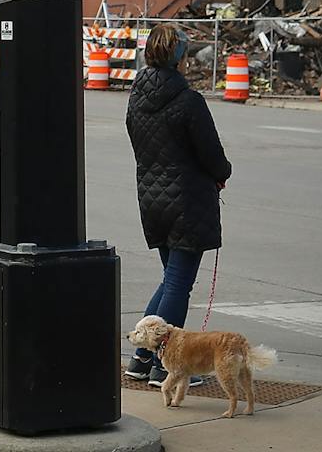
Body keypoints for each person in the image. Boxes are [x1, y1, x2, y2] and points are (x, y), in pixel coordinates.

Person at [125, 24, 233, 388]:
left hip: (152, 198)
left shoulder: (136, 98)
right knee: (178, 284)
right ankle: (166, 366)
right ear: (179, 57)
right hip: (187, 201)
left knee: (171, 280)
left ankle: (141, 357)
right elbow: (212, 155)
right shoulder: (189, 101)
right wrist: (223, 173)